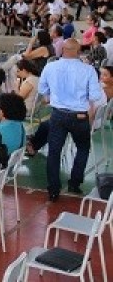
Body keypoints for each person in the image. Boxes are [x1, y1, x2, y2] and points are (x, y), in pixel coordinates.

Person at [39, 38, 103, 201]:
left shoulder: (50, 67)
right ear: (79, 51)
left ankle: (53, 190)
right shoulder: (88, 70)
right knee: (82, 148)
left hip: (58, 114)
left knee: (54, 151)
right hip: (79, 116)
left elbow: (42, 89)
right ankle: (75, 183)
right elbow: (95, 96)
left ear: (63, 50)